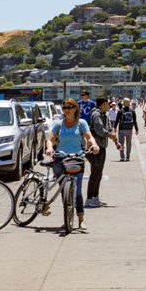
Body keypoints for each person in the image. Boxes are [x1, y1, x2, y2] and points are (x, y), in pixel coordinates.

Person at [47, 98, 100, 231]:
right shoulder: (59, 124)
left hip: (76, 159)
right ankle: (67, 217)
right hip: (60, 159)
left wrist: (93, 144)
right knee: (64, 191)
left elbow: (89, 136)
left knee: (77, 192)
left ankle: (81, 220)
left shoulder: (81, 123)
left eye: (69, 107)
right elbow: (50, 139)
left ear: (75, 108)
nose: (66, 110)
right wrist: (49, 148)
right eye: (64, 107)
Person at [85, 97, 120, 208]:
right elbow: (100, 130)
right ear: (104, 104)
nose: (109, 105)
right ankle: (90, 198)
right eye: (107, 104)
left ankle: (95, 196)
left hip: (102, 146)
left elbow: (109, 129)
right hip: (95, 147)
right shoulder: (96, 115)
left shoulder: (104, 114)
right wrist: (110, 135)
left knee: (99, 173)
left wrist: (116, 142)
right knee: (95, 173)